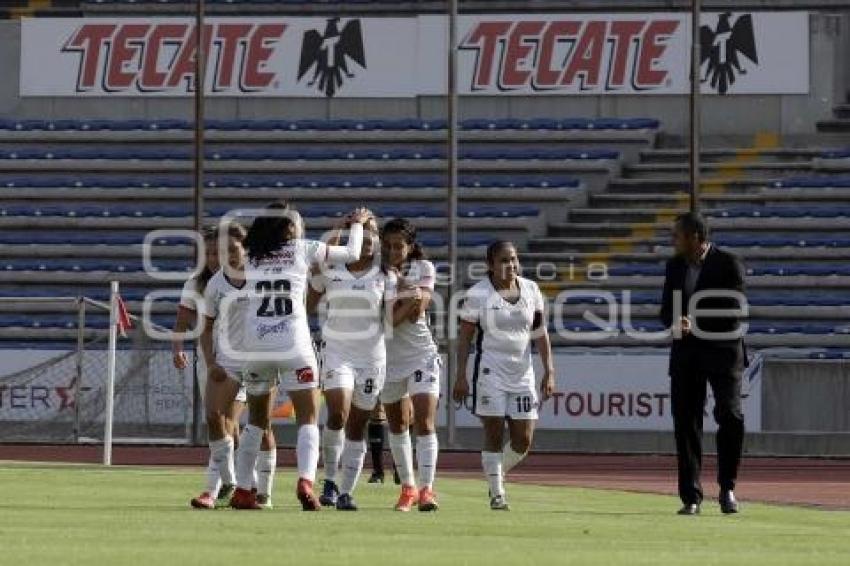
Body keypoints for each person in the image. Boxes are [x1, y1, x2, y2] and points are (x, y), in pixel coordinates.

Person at [223, 201, 367, 511]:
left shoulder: (253, 256)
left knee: (256, 422)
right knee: (309, 418)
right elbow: (352, 255)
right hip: (294, 345)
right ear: (290, 227)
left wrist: (337, 231)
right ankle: (305, 480)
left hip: (256, 346)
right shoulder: (303, 248)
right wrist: (357, 223)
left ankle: (244, 490)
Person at [453, 241, 555, 511]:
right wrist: (460, 375)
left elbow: (540, 334)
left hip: (522, 374)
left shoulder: (531, 289)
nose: (510, 265)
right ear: (490, 265)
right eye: (503, 261)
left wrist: (549, 370)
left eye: (513, 259)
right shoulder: (478, 294)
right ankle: (497, 494)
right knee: (494, 432)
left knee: (522, 440)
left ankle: (494, 474)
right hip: (490, 372)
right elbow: (464, 339)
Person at [172, 224, 268, 510]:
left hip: (239, 361)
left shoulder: (252, 277)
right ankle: (243, 484)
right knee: (221, 423)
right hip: (209, 361)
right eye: (211, 252)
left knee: (226, 419)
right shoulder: (197, 283)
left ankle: (213, 489)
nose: (215, 257)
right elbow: (182, 321)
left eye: (221, 251)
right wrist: (176, 348)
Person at [660, 212, 747, 516]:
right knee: (685, 423)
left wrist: (692, 321)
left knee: (731, 415)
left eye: (677, 236)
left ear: (696, 237)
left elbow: (733, 312)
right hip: (687, 356)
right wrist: (674, 322)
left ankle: (728, 488)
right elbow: (665, 310)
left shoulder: (729, 263)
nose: (673, 241)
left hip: (724, 353)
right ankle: (691, 497)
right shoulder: (674, 266)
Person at [308, 209, 393, 511]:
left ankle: (347, 491)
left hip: (371, 358)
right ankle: (330, 481)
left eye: (372, 231)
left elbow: (397, 318)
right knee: (337, 415)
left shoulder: (387, 275)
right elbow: (306, 303)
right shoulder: (332, 269)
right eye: (362, 231)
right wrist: (340, 228)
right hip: (337, 352)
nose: (368, 237)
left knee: (358, 426)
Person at [198, 223, 277, 509]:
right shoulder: (215, 284)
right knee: (213, 416)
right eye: (222, 251)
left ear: (245, 248)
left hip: (261, 359)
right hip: (228, 361)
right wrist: (211, 362)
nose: (228, 255)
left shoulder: (264, 274)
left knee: (261, 425)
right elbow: (204, 329)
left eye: (233, 249)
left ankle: (264, 492)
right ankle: (231, 481)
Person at [380, 218, 441, 512]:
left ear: (411, 247)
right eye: (388, 246)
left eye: (399, 246)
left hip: (420, 354)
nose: (393, 251)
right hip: (388, 358)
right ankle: (408, 488)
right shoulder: (375, 274)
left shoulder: (424, 268)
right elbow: (388, 321)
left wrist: (406, 298)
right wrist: (407, 292)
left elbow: (418, 312)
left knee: (425, 422)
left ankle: (427, 489)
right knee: (397, 424)